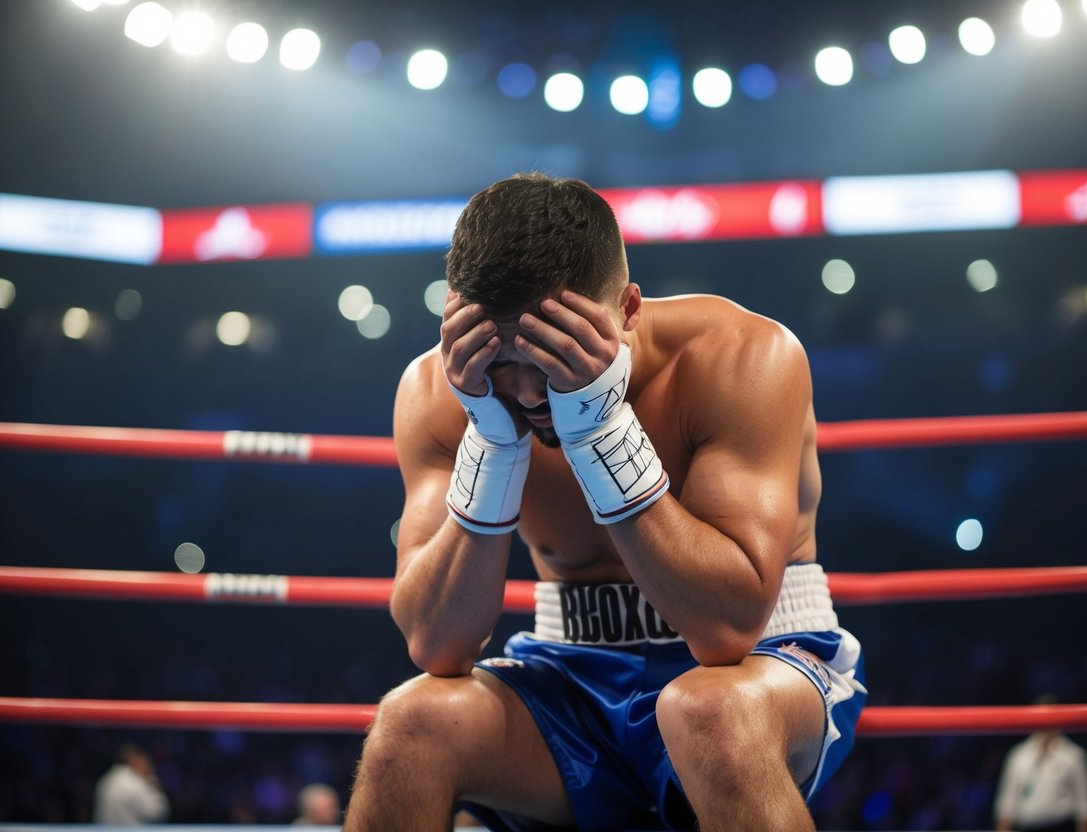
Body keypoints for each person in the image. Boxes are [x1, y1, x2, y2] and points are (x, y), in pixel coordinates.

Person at [345, 172, 867, 831]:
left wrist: (600, 431)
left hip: (764, 662)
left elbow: (725, 630)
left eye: (555, 354)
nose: (531, 394)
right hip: (572, 673)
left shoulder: (740, 355)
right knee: (410, 724)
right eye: (506, 361)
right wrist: (492, 445)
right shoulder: (439, 390)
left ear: (626, 310)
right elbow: (436, 644)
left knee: (709, 712)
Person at [994, 696, 1087, 832]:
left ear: (1058, 718)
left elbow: (1086, 805)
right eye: (1039, 717)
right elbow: (1006, 803)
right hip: (1024, 827)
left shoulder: (1074, 755)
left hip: (1062, 826)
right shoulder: (1018, 755)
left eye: (1048, 717)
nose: (1044, 724)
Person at [93, 743, 169, 825]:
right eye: (144, 759)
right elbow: (159, 812)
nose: (147, 763)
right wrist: (151, 780)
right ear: (135, 759)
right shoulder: (135, 781)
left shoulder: (105, 780)